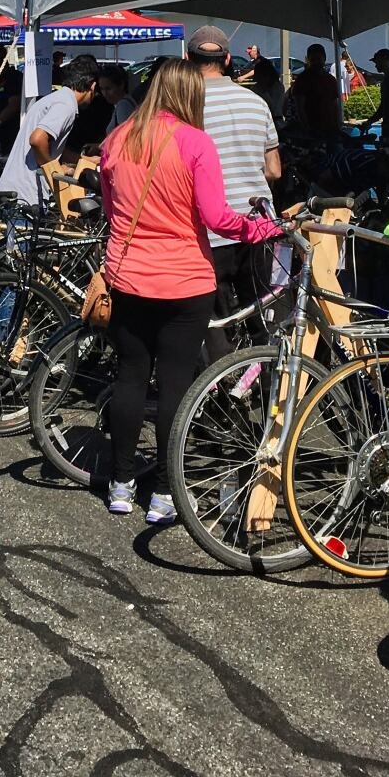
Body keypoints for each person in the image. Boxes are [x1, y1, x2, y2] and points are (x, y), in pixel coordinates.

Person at [97, 58, 281, 520]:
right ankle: (162, 493)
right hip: (183, 279)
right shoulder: (196, 142)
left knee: (130, 377)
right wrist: (264, 230)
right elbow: (218, 217)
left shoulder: (117, 139)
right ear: (189, 96)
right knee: (176, 384)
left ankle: (120, 485)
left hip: (127, 274)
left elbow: (109, 207)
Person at [186, 26, 281, 330]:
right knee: (260, 321)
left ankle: (222, 377)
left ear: (189, 58)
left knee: (215, 324)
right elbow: (274, 170)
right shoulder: (256, 103)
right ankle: (264, 375)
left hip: (206, 231)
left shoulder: (183, 106)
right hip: (256, 224)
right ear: (227, 59)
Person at [0, 56, 99, 210]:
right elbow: (37, 140)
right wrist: (53, 169)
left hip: (15, 189)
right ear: (92, 86)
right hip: (26, 196)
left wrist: (84, 160)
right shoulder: (66, 105)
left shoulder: (54, 99)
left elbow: (53, 148)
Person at [283, 43, 341, 138]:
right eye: (313, 60)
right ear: (308, 60)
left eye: (319, 59)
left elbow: (335, 103)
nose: (316, 62)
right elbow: (299, 106)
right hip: (311, 129)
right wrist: (306, 127)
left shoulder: (331, 79)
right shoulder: (302, 79)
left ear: (324, 58)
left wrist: (337, 124)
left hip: (330, 128)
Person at [242, 43, 283, 109]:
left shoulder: (260, 61)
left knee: (274, 110)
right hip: (269, 86)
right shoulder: (257, 61)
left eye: (250, 52)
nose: (248, 54)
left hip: (273, 87)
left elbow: (255, 71)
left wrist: (243, 77)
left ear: (255, 52)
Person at [101, 63, 136, 133]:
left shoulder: (123, 106)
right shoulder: (124, 103)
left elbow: (124, 135)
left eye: (108, 88)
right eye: (102, 89)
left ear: (121, 85)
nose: (105, 93)